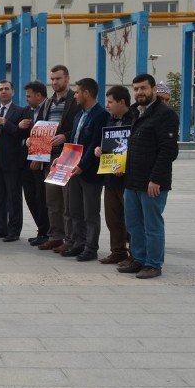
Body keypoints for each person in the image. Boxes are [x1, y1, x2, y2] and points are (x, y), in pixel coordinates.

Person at [120, 73, 179, 279]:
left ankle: (153, 264)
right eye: (136, 89)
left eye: (143, 88)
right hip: (132, 181)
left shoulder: (165, 114)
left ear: (153, 89)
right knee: (134, 224)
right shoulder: (136, 112)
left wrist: (156, 179)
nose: (139, 92)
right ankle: (139, 259)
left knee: (152, 225)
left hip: (152, 183)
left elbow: (168, 150)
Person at [61, 77, 108, 261]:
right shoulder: (79, 115)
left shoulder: (100, 115)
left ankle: (91, 247)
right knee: (75, 210)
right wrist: (64, 160)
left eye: (78, 92)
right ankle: (78, 243)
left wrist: (82, 165)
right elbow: (74, 142)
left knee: (90, 212)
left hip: (89, 173)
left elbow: (95, 144)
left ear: (86, 93)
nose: (75, 96)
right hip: (73, 170)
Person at [38, 65, 78, 253]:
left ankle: (71, 239)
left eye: (58, 79)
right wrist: (33, 138)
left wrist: (66, 136)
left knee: (68, 202)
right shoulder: (47, 103)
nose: (54, 82)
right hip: (50, 157)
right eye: (52, 79)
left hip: (68, 156)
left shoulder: (75, 100)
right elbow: (40, 125)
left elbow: (80, 126)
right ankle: (55, 236)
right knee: (52, 201)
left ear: (67, 79)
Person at [94, 85, 136, 265]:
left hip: (128, 179)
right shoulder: (109, 121)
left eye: (110, 102)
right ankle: (117, 251)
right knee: (113, 218)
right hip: (110, 178)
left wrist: (125, 165)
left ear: (122, 102)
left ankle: (135, 253)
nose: (108, 105)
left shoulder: (134, 120)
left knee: (131, 220)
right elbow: (107, 144)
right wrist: (99, 150)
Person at [0, 80, 30, 242]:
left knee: (13, 197)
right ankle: (0, 227)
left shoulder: (21, 111)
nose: (3, 92)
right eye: (0, 89)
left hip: (12, 161)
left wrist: (8, 124)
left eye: (6, 89)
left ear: (13, 92)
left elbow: (23, 135)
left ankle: (14, 230)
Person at [18, 81, 50, 246]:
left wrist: (38, 157)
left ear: (39, 95)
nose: (27, 99)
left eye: (29, 96)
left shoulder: (49, 109)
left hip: (42, 160)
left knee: (41, 197)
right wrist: (22, 130)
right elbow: (22, 134)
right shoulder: (27, 111)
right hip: (27, 160)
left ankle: (46, 231)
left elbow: (49, 132)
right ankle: (41, 229)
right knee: (30, 196)